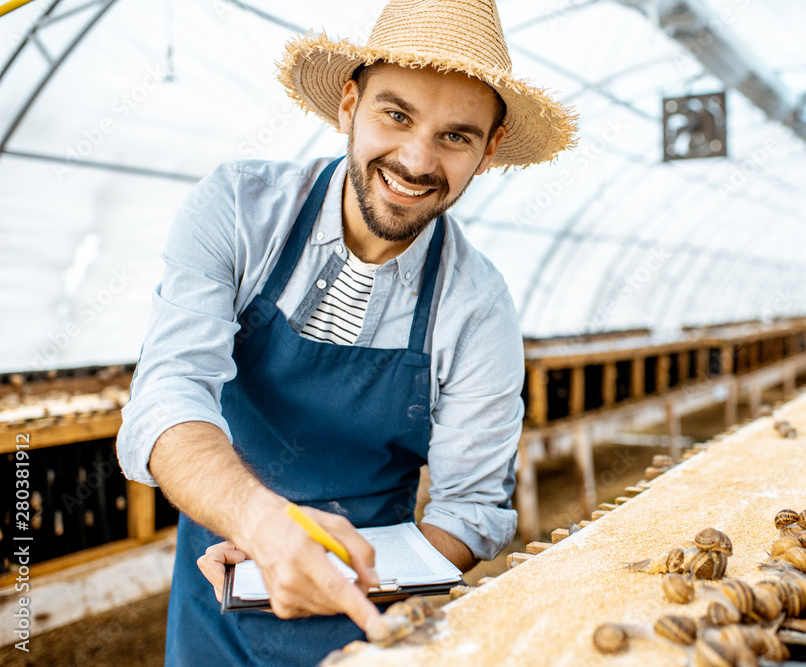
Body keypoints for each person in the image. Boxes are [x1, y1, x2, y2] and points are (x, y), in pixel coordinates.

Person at [115, 0, 576, 664]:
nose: (417, 160)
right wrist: (261, 527)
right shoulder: (241, 212)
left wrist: (346, 569)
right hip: (222, 581)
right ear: (349, 104)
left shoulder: (478, 309)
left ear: (489, 149)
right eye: (396, 114)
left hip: (369, 617)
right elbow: (168, 396)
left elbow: (470, 510)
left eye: (455, 136)